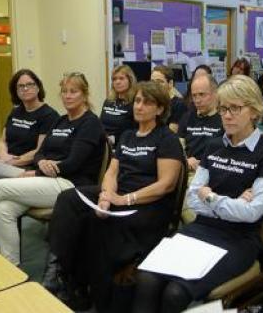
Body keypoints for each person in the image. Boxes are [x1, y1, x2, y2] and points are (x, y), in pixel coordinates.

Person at [130, 75, 263, 313]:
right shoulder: (213, 146)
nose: (227, 115)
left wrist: (210, 196)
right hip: (201, 228)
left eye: (235, 108)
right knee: (147, 279)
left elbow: (251, 213)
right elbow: (192, 199)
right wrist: (230, 203)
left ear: (253, 111)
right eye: (223, 109)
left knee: (175, 292)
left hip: (239, 240)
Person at [46, 81, 184, 311]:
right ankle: (61, 271)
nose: (139, 106)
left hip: (148, 204)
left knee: (97, 223)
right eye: (137, 101)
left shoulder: (165, 138)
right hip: (120, 192)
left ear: (160, 109)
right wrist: (107, 195)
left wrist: (125, 200)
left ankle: (92, 293)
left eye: (147, 102)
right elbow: (112, 171)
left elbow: (166, 185)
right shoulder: (128, 135)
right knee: (69, 199)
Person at [0, 72, 106, 266]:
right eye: (64, 91)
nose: (67, 96)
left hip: (70, 185)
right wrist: (42, 162)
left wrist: (37, 170)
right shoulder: (61, 120)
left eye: (73, 91)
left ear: (84, 95)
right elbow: (40, 152)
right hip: (47, 180)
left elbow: (73, 163)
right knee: (3, 209)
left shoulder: (90, 123)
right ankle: (12, 268)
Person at [0, 69, 59, 218]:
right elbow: (2, 140)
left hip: (26, 166)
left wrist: (11, 162)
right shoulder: (16, 112)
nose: (25, 89)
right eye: (21, 86)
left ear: (38, 87)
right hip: (4, 161)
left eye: (30, 84)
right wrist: (4, 155)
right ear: (16, 91)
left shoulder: (48, 115)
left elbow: (39, 150)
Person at [178, 74, 223, 172]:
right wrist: (185, 160)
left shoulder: (224, 118)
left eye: (202, 94)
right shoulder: (187, 117)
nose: (197, 100)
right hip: (189, 169)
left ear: (215, 93)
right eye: (194, 96)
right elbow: (178, 148)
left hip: (215, 170)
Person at [100, 65, 137, 147]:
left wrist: (113, 139)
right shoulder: (108, 101)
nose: (117, 82)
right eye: (114, 79)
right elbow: (101, 124)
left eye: (121, 78)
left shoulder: (135, 103)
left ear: (130, 80)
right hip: (103, 143)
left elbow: (135, 131)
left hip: (123, 145)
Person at [151, 65, 188, 133]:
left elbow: (172, 132)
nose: (155, 85)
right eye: (153, 82)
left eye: (160, 82)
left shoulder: (179, 105)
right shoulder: (150, 103)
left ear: (170, 83)